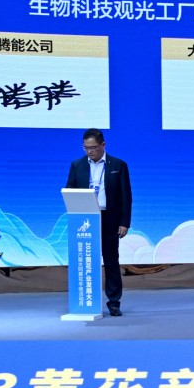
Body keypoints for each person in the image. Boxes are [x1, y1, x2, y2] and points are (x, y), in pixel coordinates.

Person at [65, 128, 132, 316]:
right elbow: (69, 189)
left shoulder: (118, 165)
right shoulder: (77, 165)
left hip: (109, 218)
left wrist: (124, 222)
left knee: (111, 260)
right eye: (86, 148)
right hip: (85, 218)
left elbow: (126, 196)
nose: (89, 151)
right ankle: (86, 301)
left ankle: (114, 301)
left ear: (103, 145)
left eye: (93, 147)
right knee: (87, 259)